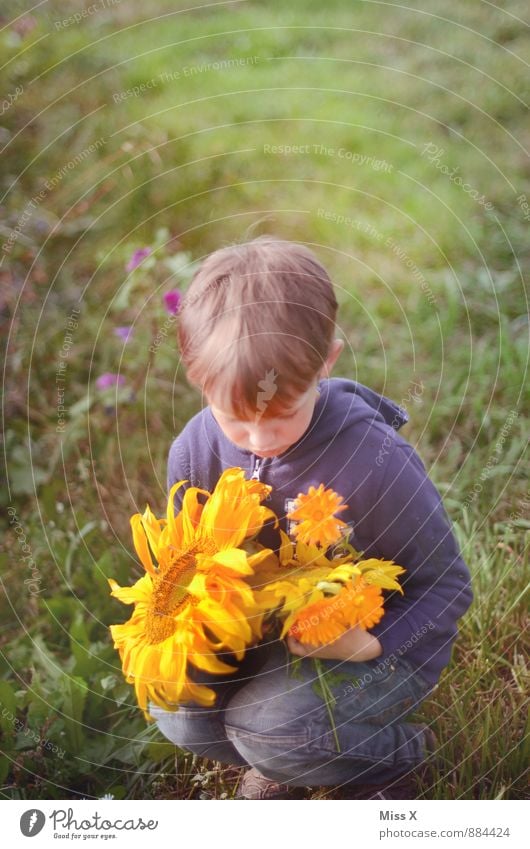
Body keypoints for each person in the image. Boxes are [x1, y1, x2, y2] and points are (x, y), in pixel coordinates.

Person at [150, 235, 473, 799]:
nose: (259, 440)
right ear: (194, 375)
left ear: (327, 360)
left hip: (371, 645)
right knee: (177, 705)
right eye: (234, 419)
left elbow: (444, 585)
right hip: (262, 634)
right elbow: (188, 560)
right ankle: (292, 756)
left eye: (282, 416)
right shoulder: (193, 452)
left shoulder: (375, 463)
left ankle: (390, 758)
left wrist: (369, 644)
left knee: (274, 729)